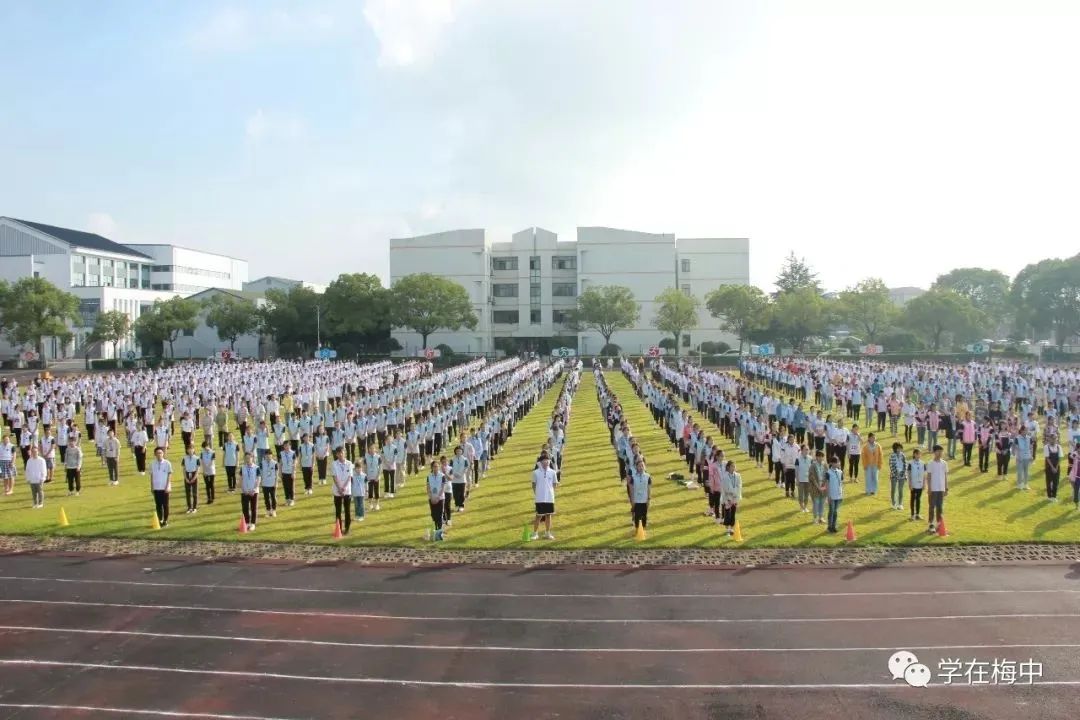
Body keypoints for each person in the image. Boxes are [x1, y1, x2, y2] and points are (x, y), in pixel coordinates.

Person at [530, 452, 558, 541]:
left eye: (548, 461)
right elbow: (533, 484)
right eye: (545, 461)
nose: (546, 462)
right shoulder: (536, 473)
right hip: (540, 498)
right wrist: (537, 493)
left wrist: (550, 492)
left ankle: (547, 533)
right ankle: (535, 533)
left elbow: (554, 484)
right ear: (541, 462)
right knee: (538, 516)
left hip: (549, 498)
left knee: (548, 515)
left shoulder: (553, 472)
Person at [927, 445, 948, 533]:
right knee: (932, 506)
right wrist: (929, 488)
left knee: (940, 507)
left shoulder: (944, 463)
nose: (940, 453)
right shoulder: (930, 463)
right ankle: (931, 524)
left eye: (941, 451)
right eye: (938, 451)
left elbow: (945, 476)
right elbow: (929, 476)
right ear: (934, 452)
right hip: (933, 488)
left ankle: (939, 524)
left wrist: (946, 488)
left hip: (941, 488)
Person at [330, 448, 352, 534]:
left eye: (342, 453)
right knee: (338, 510)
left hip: (347, 490)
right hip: (337, 490)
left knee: (347, 510)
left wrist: (344, 488)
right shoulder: (334, 464)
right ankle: (338, 528)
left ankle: (347, 528)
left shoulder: (349, 463)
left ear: (345, 453)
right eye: (339, 453)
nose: (341, 455)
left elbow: (349, 477)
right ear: (336, 454)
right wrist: (339, 488)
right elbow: (334, 477)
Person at [628, 456, 652, 535]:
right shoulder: (633, 478)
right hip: (637, 501)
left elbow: (649, 489)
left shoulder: (648, 476)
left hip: (644, 500)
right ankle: (637, 530)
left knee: (644, 516)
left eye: (642, 465)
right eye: (639, 466)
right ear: (636, 467)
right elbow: (631, 491)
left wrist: (648, 499)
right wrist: (632, 501)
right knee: (637, 517)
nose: (641, 467)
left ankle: (643, 530)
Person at [149, 447, 172, 528]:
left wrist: (167, 486)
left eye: (161, 453)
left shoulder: (167, 463)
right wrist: (152, 487)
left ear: (163, 454)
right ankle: (160, 520)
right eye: (158, 453)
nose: (159, 454)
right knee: (158, 505)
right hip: (156, 488)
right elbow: (151, 476)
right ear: (155, 454)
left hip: (165, 488)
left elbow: (169, 475)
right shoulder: (152, 464)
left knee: (165, 505)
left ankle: (165, 520)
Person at [721, 460, 742, 536]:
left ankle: (731, 528)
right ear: (728, 467)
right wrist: (726, 499)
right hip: (727, 498)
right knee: (727, 514)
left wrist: (735, 495)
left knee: (733, 513)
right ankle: (727, 530)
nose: (734, 468)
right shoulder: (724, 477)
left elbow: (739, 486)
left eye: (734, 466)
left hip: (735, 497)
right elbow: (724, 489)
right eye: (732, 466)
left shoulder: (738, 475)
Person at [239, 452, 259, 532]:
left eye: (249, 458)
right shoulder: (242, 468)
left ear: (252, 458)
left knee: (253, 508)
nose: (247, 460)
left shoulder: (256, 467)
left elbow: (258, 479)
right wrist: (244, 490)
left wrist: (254, 490)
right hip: (245, 491)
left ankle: (253, 524)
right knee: (245, 508)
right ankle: (246, 523)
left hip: (254, 492)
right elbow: (240, 479)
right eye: (246, 458)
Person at [426, 460, 445, 539]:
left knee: (439, 515)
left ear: (439, 467)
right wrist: (431, 497)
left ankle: (439, 533)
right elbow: (428, 487)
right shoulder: (429, 476)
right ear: (432, 467)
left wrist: (437, 497)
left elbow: (442, 487)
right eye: (434, 466)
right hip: (432, 498)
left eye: (437, 466)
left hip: (440, 498)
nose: (435, 468)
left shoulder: (442, 476)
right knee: (434, 515)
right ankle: (435, 530)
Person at [808, 449, 827, 524]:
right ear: (816, 457)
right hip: (815, 487)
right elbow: (811, 477)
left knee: (822, 503)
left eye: (822, 456)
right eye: (819, 456)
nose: (821, 458)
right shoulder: (813, 466)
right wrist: (818, 486)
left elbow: (827, 476)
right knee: (816, 503)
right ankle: (815, 518)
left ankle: (821, 517)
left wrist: (824, 485)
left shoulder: (825, 465)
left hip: (823, 486)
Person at [26, 444, 47, 508]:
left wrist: (43, 478)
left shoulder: (41, 460)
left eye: (36, 452)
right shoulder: (29, 461)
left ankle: (40, 503)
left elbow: (44, 469)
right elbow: (27, 470)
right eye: (33, 452)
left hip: (39, 479)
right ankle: (35, 503)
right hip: (32, 479)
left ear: (38, 452)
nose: (34, 453)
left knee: (40, 491)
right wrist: (28, 479)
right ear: (31, 452)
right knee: (33, 493)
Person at [826, 456, 843, 533]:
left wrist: (841, 494)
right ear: (832, 463)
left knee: (835, 511)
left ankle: (834, 525)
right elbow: (827, 484)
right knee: (831, 510)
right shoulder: (828, 472)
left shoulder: (840, 472)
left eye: (838, 462)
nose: (837, 464)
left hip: (838, 495)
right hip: (832, 495)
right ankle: (829, 526)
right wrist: (828, 495)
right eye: (836, 462)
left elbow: (841, 483)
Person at [908, 447, 925, 520]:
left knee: (918, 499)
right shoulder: (910, 463)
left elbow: (925, 474)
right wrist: (910, 484)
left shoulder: (923, 463)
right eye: (917, 454)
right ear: (914, 454)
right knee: (912, 499)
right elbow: (909, 474)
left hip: (920, 484)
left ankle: (917, 514)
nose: (918, 455)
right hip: (913, 484)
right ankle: (912, 515)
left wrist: (924, 483)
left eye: (919, 454)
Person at [260, 451, 279, 517]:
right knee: (266, 498)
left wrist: (276, 483)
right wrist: (261, 482)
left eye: (269, 456)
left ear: (272, 456)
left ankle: (274, 510)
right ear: (264, 456)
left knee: (273, 497)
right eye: (267, 456)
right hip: (265, 484)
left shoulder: (275, 463)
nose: (268, 457)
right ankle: (268, 510)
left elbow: (276, 474)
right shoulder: (262, 463)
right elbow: (261, 474)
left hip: (272, 484)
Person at [888, 442, 906, 511]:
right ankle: (893, 503)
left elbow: (905, 464)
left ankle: (900, 504)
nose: (899, 450)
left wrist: (903, 473)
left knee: (900, 490)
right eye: (898, 448)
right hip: (894, 475)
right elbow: (891, 465)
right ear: (895, 449)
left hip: (902, 475)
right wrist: (895, 473)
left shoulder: (903, 455)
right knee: (893, 489)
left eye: (900, 448)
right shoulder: (892, 456)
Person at [182, 445, 200, 514]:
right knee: (188, 493)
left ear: (194, 450)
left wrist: (194, 477)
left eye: (191, 449)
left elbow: (198, 469)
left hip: (194, 474)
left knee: (194, 493)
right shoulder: (184, 458)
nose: (190, 451)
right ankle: (189, 507)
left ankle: (194, 507)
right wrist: (185, 478)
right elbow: (183, 468)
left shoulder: (197, 458)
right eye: (189, 449)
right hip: (187, 474)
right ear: (187, 450)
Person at [1044, 437, 1062, 502]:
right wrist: (1052, 467)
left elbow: (1060, 458)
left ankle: (1054, 496)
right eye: (1052, 439)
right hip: (1049, 467)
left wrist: (1056, 467)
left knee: (1056, 482)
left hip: (1056, 467)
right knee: (1048, 481)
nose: (1053, 440)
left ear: (1056, 439)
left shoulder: (1059, 447)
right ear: (1049, 439)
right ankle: (1049, 496)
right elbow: (1047, 458)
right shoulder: (1046, 447)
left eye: (1054, 439)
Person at [279, 441, 296, 507]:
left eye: (288, 445)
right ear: (283, 446)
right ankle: (287, 499)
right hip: (284, 472)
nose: (286, 447)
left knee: (291, 487)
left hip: (290, 472)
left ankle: (292, 500)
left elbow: (294, 464)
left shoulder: (293, 453)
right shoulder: (281, 453)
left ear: (290, 446)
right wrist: (280, 472)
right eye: (285, 445)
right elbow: (280, 463)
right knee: (285, 487)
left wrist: (293, 473)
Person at [199, 440, 216, 505]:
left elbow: (212, 462)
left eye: (205, 447)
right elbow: (201, 462)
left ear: (208, 446)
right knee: (207, 485)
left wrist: (207, 467)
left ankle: (212, 497)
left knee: (211, 484)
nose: (205, 449)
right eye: (204, 448)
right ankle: (209, 498)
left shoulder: (212, 452)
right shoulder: (202, 453)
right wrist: (203, 471)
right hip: (205, 471)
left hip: (211, 470)